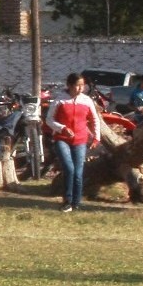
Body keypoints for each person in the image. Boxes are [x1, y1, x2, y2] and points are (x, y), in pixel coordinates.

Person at [46, 72, 101, 213]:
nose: (80, 88)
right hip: (62, 139)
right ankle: (67, 201)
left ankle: (77, 202)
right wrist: (62, 128)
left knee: (78, 171)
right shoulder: (60, 100)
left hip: (80, 140)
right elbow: (49, 120)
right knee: (69, 169)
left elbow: (95, 120)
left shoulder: (87, 101)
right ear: (69, 85)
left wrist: (96, 137)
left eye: (82, 85)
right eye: (77, 85)